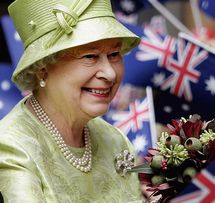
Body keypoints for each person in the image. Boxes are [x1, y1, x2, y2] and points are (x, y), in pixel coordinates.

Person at [0, 0, 143, 202]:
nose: (110, 74)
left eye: (114, 54)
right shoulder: (12, 147)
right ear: (42, 69)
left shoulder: (115, 140)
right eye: (90, 56)